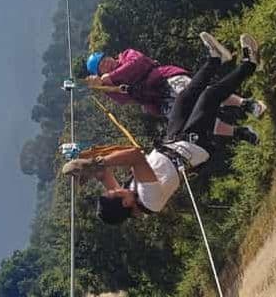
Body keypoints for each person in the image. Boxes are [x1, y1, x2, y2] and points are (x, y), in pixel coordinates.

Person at [63, 33, 262, 224]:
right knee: (208, 98)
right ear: (125, 203)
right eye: (113, 193)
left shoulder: (128, 195)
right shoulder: (149, 199)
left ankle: (215, 59)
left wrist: (85, 165)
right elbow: (135, 156)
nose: (113, 189)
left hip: (174, 140)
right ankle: (250, 64)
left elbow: (104, 174)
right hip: (193, 146)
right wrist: (96, 162)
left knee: (185, 96)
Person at [84, 32, 265, 141]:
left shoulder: (126, 56)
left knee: (204, 93)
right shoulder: (113, 85)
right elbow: (122, 99)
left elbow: (138, 64)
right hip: (158, 101)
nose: (106, 64)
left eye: (104, 60)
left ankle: (246, 104)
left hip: (165, 78)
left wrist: (111, 76)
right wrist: (102, 87)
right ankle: (240, 132)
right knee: (195, 120)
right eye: (101, 67)